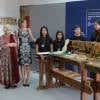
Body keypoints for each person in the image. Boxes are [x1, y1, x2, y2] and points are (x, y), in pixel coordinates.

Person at [0, 24, 19, 89]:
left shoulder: (13, 36)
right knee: (6, 69)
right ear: (5, 30)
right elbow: (2, 45)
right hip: (5, 56)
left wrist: (9, 44)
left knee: (13, 68)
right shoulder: (2, 37)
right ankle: (7, 83)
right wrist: (10, 44)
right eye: (8, 29)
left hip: (13, 55)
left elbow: (16, 44)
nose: (9, 31)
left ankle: (13, 83)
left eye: (10, 29)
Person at [17, 18, 35, 87]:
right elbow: (17, 41)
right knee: (22, 64)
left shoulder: (28, 29)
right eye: (24, 23)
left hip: (27, 47)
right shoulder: (18, 30)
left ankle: (28, 79)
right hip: (21, 48)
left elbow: (32, 38)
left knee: (27, 64)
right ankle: (23, 79)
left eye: (25, 23)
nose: (25, 24)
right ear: (20, 23)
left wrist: (37, 40)